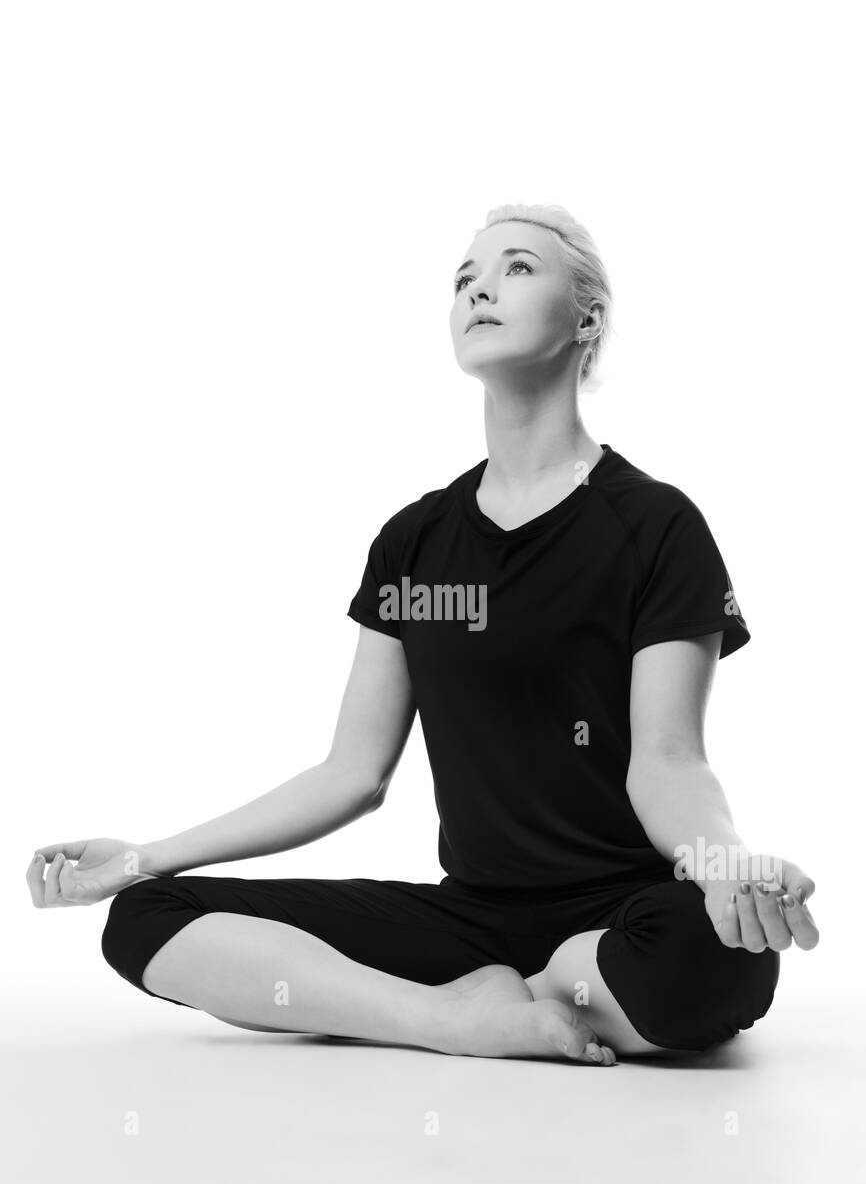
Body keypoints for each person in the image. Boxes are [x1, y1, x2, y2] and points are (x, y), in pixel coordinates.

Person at [26, 202, 819, 1066]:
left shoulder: (657, 525)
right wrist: (141, 856)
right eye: (464, 278)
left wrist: (722, 864)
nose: (480, 286)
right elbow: (351, 774)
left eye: (517, 267)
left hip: (622, 918)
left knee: (721, 960)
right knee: (148, 915)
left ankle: (538, 988)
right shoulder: (415, 541)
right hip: (468, 920)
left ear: (587, 317)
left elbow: (669, 763)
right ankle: (452, 1020)